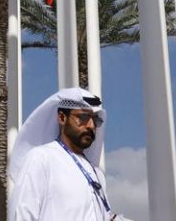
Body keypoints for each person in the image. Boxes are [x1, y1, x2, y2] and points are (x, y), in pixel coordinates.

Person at [9, 87, 132, 220]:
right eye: (83, 117)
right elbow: (21, 214)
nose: (91, 126)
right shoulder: (41, 159)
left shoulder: (96, 174)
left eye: (95, 120)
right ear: (62, 118)